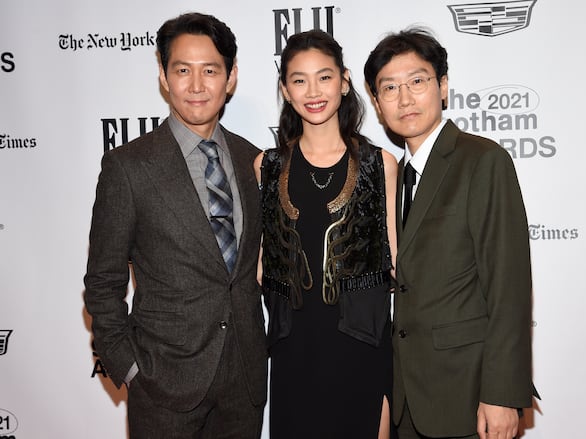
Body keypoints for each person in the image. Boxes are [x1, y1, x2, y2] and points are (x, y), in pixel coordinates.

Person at [84, 12, 267, 438]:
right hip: (162, 386)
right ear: (164, 78)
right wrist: (130, 367)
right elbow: (103, 281)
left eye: (210, 71)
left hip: (244, 382)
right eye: (183, 70)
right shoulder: (128, 167)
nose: (197, 85)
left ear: (231, 77)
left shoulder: (254, 160)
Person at [364, 27, 538, 439]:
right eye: (390, 88)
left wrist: (502, 395)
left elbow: (508, 287)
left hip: (469, 394)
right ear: (377, 102)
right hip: (407, 397)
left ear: (442, 87)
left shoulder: (482, 160)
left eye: (417, 81)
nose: (405, 99)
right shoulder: (393, 177)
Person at [254, 30, 398, 439]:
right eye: (299, 80)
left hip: (362, 354)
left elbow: (399, 265)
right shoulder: (267, 167)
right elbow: (260, 268)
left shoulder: (379, 165)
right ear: (286, 90)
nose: (313, 91)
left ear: (344, 81)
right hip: (294, 357)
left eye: (324, 77)